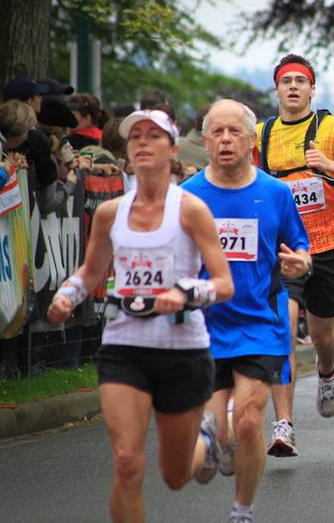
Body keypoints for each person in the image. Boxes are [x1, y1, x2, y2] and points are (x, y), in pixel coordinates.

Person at [46, 108, 234, 522]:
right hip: (124, 347)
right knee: (128, 461)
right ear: (128, 151)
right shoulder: (112, 212)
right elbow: (90, 271)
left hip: (182, 351)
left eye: (154, 136)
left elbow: (223, 283)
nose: (143, 142)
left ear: (171, 149)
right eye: (136, 137)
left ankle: (205, 433)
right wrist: (68, 295)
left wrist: (185, 292)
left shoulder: (191, 210)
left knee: (175, 475)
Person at [182, 99, 311, 523]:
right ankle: (220, 440)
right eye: (216, 132)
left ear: (251, 140)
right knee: (214, 444)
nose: (225, 139)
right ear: (204, 141)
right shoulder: (187, 197)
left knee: (252, 418)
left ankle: (242, 511)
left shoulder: (275, 193)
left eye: (234, 131)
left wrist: (302, 262)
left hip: (261, 322)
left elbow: (301, 246)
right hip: (205, 327)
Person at [254, 54, 334, 456]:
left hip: (326, 240)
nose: (292, 87)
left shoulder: (333, 128)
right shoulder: (260, 134)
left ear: (311, 89)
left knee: (323, 333)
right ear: (276, 89)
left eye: (299, 81)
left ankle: (327, 370)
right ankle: (283, 424)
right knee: (283, 327)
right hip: (282, 245)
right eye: (285, 80)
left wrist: (331, 168)